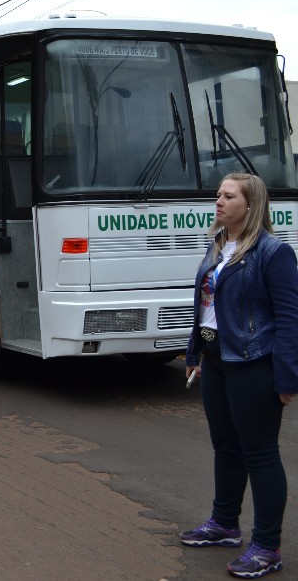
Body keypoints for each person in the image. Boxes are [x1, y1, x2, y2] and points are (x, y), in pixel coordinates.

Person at [180, 173, 298, 579]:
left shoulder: (273, 252)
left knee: (260, 454)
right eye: (218, 194)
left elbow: (290, 318)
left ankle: (267, 546)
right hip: (216, 360)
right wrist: (195, 352)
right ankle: (225, 524)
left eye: (228, 196)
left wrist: (287, 377)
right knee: (226, 448)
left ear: (251, 205)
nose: (219, 201)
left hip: (254, 364)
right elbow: (205, 306)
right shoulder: (217, 245)